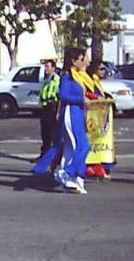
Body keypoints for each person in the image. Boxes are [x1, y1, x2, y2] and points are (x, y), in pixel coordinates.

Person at [53, 49, 93, 193]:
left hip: (78, 112)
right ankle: (67, 173)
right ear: (73, 61)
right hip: (71, 112)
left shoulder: (80, 77)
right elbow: (62, 95)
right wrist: (81, 100)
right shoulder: (67, 77)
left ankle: (76, 179)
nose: (85, 62)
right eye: (82, 59)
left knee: (71, 149)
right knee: (83, 146)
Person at [37, 57, 60, 162]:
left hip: (52, 108)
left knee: (52, 134)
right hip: (45, 108)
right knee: (45, 133)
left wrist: (58, 112)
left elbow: (59, 96)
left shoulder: (56, 79)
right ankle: (44, 155)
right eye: (44, 66)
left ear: (53, 68)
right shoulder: (46, 79)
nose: (45, 68)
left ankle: (55, 157)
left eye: (47, 66)